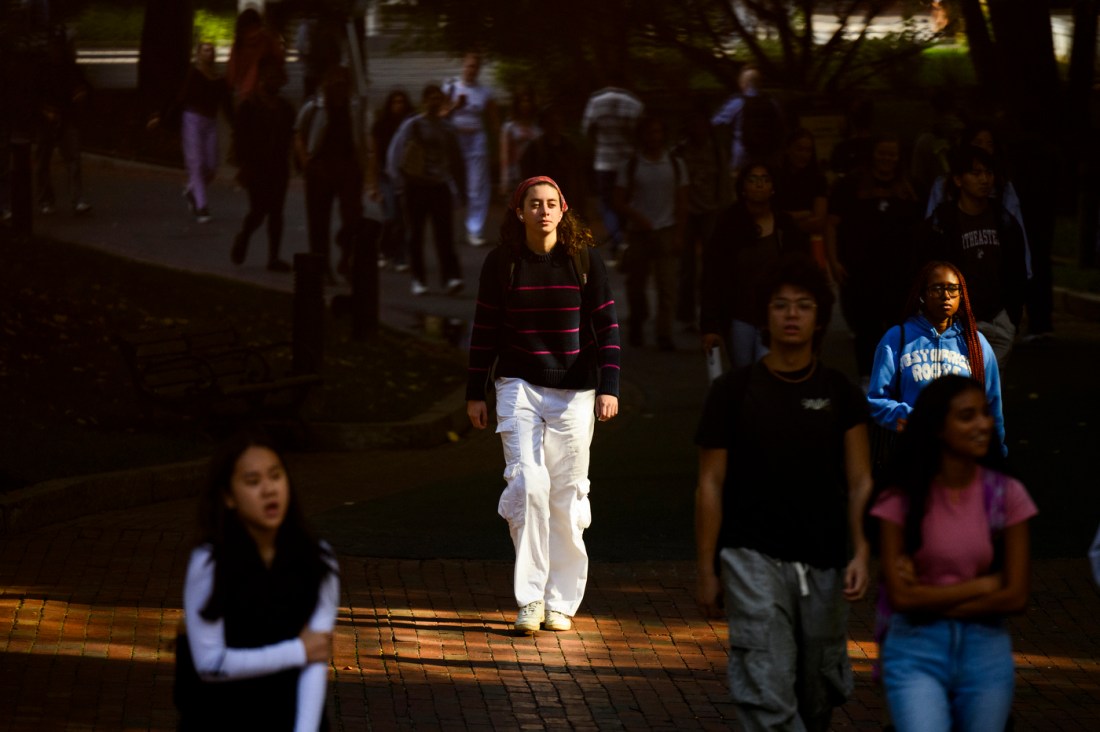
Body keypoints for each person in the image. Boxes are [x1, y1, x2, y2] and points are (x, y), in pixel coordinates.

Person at [695, 256, 872, 731]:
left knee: (818, 686)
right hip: (750, 554)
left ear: (819, 317)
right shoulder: (732, 392)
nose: (792, 315)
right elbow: (710, 483)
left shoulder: (840, 391)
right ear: (764, 315)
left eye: (804, 306)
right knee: (766, 683)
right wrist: (707, 567)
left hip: (826, 556)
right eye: (780, 306)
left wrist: (862, 550)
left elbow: (860, 481)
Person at [465, 176, 620, 635]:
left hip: (576, 389)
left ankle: (561, 601)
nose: (544, 211)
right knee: (528, 484)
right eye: (535, 204)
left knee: (566, 496)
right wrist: (476, 391)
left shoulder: (584, 260)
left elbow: (607, 327)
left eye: (552, 203)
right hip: (519, 384)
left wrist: (609, 386)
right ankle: (530, 599)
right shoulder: (502, 264)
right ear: (520, 212)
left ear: (564, 208)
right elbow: (484, 329)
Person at [870, 375, 1036, 732]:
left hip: (985, 651)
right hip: (915, 651)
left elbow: (1016, 595)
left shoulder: (1008, 495)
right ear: (938, 429)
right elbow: (900, 598)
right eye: (966, 416)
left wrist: (927, 598)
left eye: (984, 413)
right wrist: (984, 586)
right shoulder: (901, 497)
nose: (983, 424)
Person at [178, 428, 339, 730]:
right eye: (253, 482)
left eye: (276, 476)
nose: (269, 489)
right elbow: (210, 663)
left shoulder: (319, 559)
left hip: (291, 714)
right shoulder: (209, 562)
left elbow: (315, 662)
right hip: (221, 717)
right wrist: (297, 651)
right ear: (228, 496)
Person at [868, 260, 1006, 455]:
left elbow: (992, 405)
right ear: (923, 295)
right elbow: (876, 400)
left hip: (963, 457)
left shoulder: (976, 344)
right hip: (912, 455)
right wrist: (915, 418)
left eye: (952, 289)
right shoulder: (897, 338)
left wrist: (997, 454)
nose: (946, 296)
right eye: (937, 289)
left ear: (961, 294)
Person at [918, 145, 1029, 367]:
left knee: (991, 391)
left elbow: (1016, 268)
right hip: (959, 321)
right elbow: (926, 271)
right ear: (959, 180)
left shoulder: (1004, 220)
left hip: (999, 318)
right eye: (976, 173)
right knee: (963, 390)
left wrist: (1013, 315)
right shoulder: (942, 224)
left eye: (988, 173)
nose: (984, 179)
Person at [826, 135, 922, 387]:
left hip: (899, 274)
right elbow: (831, 225)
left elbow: (920, 230)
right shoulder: (849, 185)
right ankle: (868, 379)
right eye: (882, 153)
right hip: (859, 273)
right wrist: (833, 262)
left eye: (892, 154)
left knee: (899, 327)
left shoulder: (910, 187)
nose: (887, 159)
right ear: (872, 154)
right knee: (865, 329)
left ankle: (897, 377)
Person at [699, 161, 809, 369]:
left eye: (765, 179)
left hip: (775, 313)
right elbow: (713, 276)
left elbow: (803, 270)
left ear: (773, 187)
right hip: (739, 314)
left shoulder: (785, 226)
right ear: (743, 187)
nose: (759, 185)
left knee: (768, 367)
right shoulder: (729, 225)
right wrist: (709, 325)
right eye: (753, 179)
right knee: (743, 372)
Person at [613, 115, 688, 350]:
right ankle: (637, 323)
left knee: (667, 285)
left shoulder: (675, 164)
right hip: (639, 233)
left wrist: (679, 234)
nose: (654, 137)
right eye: (649, 132)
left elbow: (682, 201)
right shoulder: (632, 165)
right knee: (637, 284)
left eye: (658, 132)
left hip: (666, 229)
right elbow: (618, 199)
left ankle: (664, 333)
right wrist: (637, 217)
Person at [386, 84, 467, 296]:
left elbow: (457, 160)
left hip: (439, 185)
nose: (434, 102)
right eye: (430, 98)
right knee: (416, 234)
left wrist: (461, 189)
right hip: (415, 186)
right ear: (424, 101)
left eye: (438, 99)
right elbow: (396, 154)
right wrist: (399, 185)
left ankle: (451, 277)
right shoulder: (412, 126)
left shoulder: (447, 129)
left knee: (445, 235)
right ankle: (418, 278)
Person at [295, 65, 367, 282]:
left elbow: (364, 135)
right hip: (321, 166)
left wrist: (365, 165)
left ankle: (346, 255)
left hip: (347, 166)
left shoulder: (354, 107)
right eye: (334, 82)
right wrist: (306, 162)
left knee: (353, 217)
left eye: (343, 83)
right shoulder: (314, 106)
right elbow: (299, 133)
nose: (338, 87)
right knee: (318, 220)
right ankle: (321, 265)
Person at [149, 41, 234, 224]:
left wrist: (237, 126)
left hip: (210, 122)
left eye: (211, 50)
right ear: (198, 54)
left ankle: (192, 190)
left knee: (211, 166)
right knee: (196, 163)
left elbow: (227, 105)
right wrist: (162, 116)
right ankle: (202, 207)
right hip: (192, 120)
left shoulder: (218, 79)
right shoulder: (192, 74)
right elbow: (179, 97)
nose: (209, 53)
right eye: (205, 50)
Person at [231, 56, 296, 272]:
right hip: (256, 166)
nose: (275, 82)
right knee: (259, 210)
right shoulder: (249, 106)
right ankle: (245, 235)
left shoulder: (286, 108)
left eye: (278, 78)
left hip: (278, 166)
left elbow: (291, 137)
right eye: (271, 77)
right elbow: (240, 137)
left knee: (277, 211)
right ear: (262, 79)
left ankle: (273, 257)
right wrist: (243, 164)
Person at [673, 103, 731, 329]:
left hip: (710, 212)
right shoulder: (679, 152)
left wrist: (725, 214)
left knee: (713, 265)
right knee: (686, 267)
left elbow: (724, 184)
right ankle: (686, 315)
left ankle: (712, 311)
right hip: (686, 213)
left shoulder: (716, 150)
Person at [581, 72, 645, 256]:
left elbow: (587, 130)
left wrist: (599, 144)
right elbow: (641, 131)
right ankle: (625, 236)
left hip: (604, 161)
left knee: (607, 203)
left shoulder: (595, 101)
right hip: (627, 160)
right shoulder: (634, 103)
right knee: (627, 201)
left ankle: (618, 239)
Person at [443, 52, 498, 246]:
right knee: (450, 185)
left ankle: (474, 230)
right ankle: (447, 226)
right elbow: (440, 114)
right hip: (454, 141)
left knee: (476, 187)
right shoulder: (450, 87)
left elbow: (493, 121)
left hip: (476, 141)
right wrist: (455, 106)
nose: (471, 70)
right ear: (463, 65)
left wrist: (496, 148)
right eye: (469, 65)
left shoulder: (484, 92)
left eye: (475, 66)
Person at [35, 27, 91, 216]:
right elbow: (33, 95)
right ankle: (46, 199)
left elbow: (81, 89)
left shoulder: (69, 68)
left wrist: (79, 98)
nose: (56, 50)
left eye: (59, 46)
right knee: (43, 160)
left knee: (73, 159)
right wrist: (45, 111)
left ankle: (77, 199)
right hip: (47, 118)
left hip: (66, 118)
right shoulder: (43, 69)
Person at [710, 66, 786, 175]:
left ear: (743, 83)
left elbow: (715, 123)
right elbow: (782, 126)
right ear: (760, 83)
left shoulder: (737, 103)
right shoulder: (772, 102)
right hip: (769, 159)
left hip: (742, 158)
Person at [368, 88, 413, 271]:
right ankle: (384, 249)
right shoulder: (381, 125)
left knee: (401, 219)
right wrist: (373, 184)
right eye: (395, 102)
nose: (398, 106)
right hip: (385, 176)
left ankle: (399, 256)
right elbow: (374, 153)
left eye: (401, 102)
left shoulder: (410, 125)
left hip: (404, 176)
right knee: (390, 215)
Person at [226, 7, 285, 104]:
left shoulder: (239, 43)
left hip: (246, 92)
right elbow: (280, 59)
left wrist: (230, 87)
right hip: (263, 91)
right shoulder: (267, 40)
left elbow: (232, 71)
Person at [498, 85, 540, 196]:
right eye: (522, 101)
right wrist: (504, 180)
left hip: (534, 175)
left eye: (528, 101)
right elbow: (504, 155)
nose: (525, 104)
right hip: (515, 176)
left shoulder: (538, 127)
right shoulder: (510, 127)